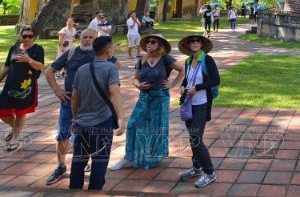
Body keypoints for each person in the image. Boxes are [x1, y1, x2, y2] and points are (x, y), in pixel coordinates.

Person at [45, 28, 119, 185]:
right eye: (84, 37)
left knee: (89, 139)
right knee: (63, 134)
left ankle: (87, 166)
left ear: (96, 39)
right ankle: (61, 165)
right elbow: (49, 71)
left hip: (94, 104)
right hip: (70, 102)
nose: (87, 40)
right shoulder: (72, 53)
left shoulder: (100, 54)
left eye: (91, 37)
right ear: (80, 38)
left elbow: (116, 66)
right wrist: (57, 90)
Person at [110, 34, 184, 170]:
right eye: (147, 42)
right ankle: (128, 157)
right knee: (133, 125)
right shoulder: (142, 60)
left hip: (160, 98)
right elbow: (135, 79)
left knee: (154, 128)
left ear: (160, 45)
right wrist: (138, 85)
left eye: (153, 42)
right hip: (144, 97)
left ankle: (153, 157)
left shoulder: (166, 59)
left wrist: (172, 85)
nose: (149, 44)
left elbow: (182, 69)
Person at [69, 36, 124, 190]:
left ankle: (74, 190)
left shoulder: (82, 69)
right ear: (108, 51)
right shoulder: (110, 68)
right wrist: (121, 118)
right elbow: (114, 92)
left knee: (79, 158)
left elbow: (74, 96)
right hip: (102, 121)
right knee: (100, 159)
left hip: (82, 122)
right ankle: (95, 189)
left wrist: (75, 118)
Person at [0, 25, 45, 151]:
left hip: (26, 85)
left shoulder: (38, 49)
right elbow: (6, 67)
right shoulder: (14, 48)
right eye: (24, 36)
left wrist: (28, 60)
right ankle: (16, 129)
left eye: (30, 36)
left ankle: (16, 137)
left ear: (34, 37)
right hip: (10, 84)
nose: (27, 38)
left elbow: (40, 66)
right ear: (21, 36)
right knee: (1, 110)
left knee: (20, 112)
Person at [177, 35, 220, 188]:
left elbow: (216, 80)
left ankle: (209, 173)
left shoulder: (207, 60)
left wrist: (198, 88)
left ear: (201, 44)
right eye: (192, 41)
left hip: (201, 104)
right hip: (189, 104)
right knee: (193, 138)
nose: (195, 43)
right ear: (188, 45)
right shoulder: (188, 61)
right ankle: (197, 167)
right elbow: (187, 79)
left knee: (196, 138)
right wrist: (183, 86)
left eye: (197, 41)